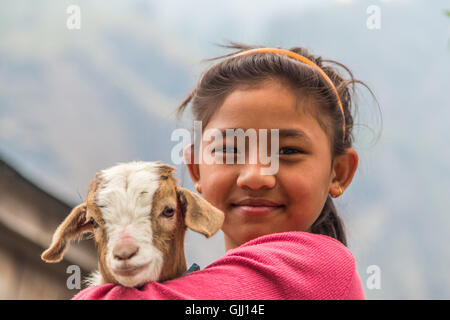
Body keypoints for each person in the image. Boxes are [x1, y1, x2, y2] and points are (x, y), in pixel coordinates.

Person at [73, 42, 380, 300]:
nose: (256, 176)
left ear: (338, 172)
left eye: (288, 151)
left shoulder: (323, 268)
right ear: (195, 171)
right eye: (230, 151)